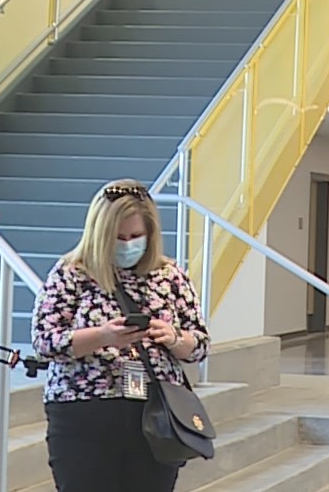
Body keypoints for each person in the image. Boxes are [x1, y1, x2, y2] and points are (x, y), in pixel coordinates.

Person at [34, 179, 211, 492]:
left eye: (135, 236)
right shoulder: (70, 273)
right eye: (119, 238)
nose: (128, 244)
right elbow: (45, 342)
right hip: (83, 412)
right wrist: (103, 336)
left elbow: (199, 346)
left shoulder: (170, 276)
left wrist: (172, 337)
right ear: (101, 235)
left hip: (154, 413)